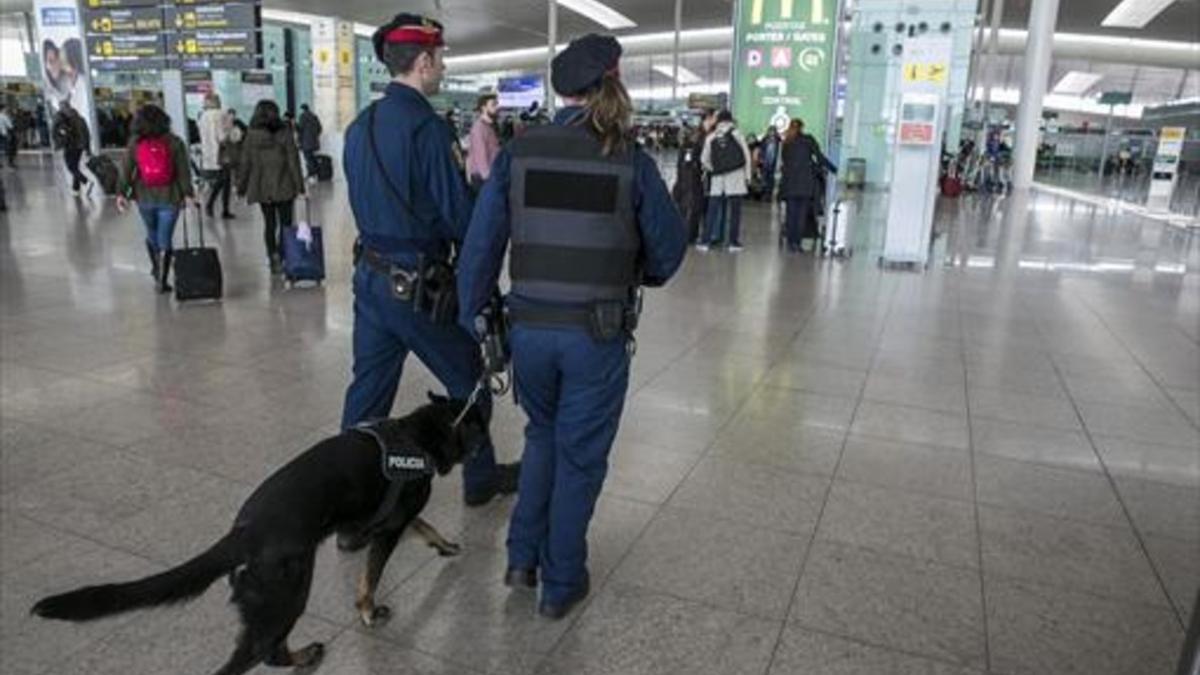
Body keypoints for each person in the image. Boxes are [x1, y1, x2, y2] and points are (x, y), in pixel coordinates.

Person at [457, 34, 687, 619]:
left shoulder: (519, 152)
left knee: (542, 436)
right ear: (614, 81)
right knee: (580, 456)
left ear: (562, 91)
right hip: (595, 335)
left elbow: (480, 250)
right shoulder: (629, 159)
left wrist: (478, 318)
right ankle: (561, 581)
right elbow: (667, 252)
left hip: (528, 333)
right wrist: (634, 269)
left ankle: (520, 558)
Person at [339, 13, 518, 514]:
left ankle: (349, 498)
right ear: (422, 62)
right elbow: (459, 216)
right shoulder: (426, 128)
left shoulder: (360, 126)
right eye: (440, 59)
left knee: (367, 397)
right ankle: (480, 479)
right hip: (420, 288)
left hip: (370, 280)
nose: (442, 67)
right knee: (470, 384)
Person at [116, 104, 193, 293]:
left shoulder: (135, 143)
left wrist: (121, 193)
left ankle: (156, 268)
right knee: (165, 237)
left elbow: (126, 170)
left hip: (144, 196)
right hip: (170, 196)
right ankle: (162, 280)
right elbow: (184, 172)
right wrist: (188, 194)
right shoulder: (175, 142)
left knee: (152, 232)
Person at [237, 100, 305, 274]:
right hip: (285, 185)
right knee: (286, 224)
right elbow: (293, 161)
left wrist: (241, 187)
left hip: (261, 186)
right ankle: (284, 255)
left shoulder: (251, 135)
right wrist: (300, 187)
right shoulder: (285, 132)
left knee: (269, 224)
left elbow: (245, 163)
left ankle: (272, 255)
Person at [779, 118, 836, 252]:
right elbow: (820, 157)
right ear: (802, 128)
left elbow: (784, 161)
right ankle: (797, 244)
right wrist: (834, 169)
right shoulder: (808, 140)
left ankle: (790, 243)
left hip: (789, 184)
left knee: (790, 214)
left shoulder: (787, 142)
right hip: (805, 184)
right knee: (800, 216)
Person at [699, 110, 751, 252]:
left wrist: (713, 168)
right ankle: (733, 243)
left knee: (712, 211)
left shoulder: (711, 136)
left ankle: (705, 242)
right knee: (735, 212)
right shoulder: (737, 134)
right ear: (730, 120)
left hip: (718, 180)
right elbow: (746, 156)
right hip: (736, 178)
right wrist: (748, 176)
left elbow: (704, 159)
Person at [673, 109, 716, 243]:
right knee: (691, 205)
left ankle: (689, 233)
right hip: (691, 177)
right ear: (707, 119)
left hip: (691, 176)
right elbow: (690, 158)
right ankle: (688, 234)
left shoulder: (702, 135)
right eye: (712, 119)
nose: (714, 122)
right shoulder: (699, 136)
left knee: (692, 205)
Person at [198, 93, 234, 220]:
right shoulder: (221, 114)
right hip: (221, 153)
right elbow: (222, 137)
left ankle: (213, 206)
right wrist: (230, 129)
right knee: (225, 180)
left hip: (208, 152)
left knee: (221, 180)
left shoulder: (202, 116)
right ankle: (220, 208)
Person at [51, 101, 91, 195]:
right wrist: (87, 148)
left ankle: (86, 182)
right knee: (75, 167)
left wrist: (59, 143)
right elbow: (87, 134)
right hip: (80, 147)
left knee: (71, 167)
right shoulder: (80, 119)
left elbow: (59, 132)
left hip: (70, 146)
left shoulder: (64, 119)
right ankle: (75, 189)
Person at [466, 93, 501, 193]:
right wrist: (489, 180)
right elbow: (480, 156)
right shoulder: (479, 128)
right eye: (493, 105)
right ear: (484, 108)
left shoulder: (489, 127)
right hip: (483, 178)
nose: (497, 107)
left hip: (489, 176)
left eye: (497, 104)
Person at [297, 103, 323, 182]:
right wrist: (314, 136)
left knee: (308, 158)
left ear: (302, 109)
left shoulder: (303, 116)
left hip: (306, 142)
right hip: (314, 142)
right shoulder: (314, 116)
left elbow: (300, 129)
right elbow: (320, 128)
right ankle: (317, 174)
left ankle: (311, 175)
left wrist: (299, 140)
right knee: (312, 157)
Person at [759, 125, 781, 201]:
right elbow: (761, 150)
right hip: (765, 162)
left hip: (774, 163)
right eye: (770, 131)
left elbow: (779, 152)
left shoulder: (778, 141)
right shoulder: (764, 140)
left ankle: (769, 195)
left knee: (771, 180)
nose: (771, 133)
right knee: (764, 179)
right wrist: (761, 158)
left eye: (773, 131)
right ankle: (764, 194)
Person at [0, 104, 14, 168]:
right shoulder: (4, 116)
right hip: (3, 134)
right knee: (8, 148)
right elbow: (10, 126)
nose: (6, 109)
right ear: (2, 109)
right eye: (5, 108)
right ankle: (10, 163)